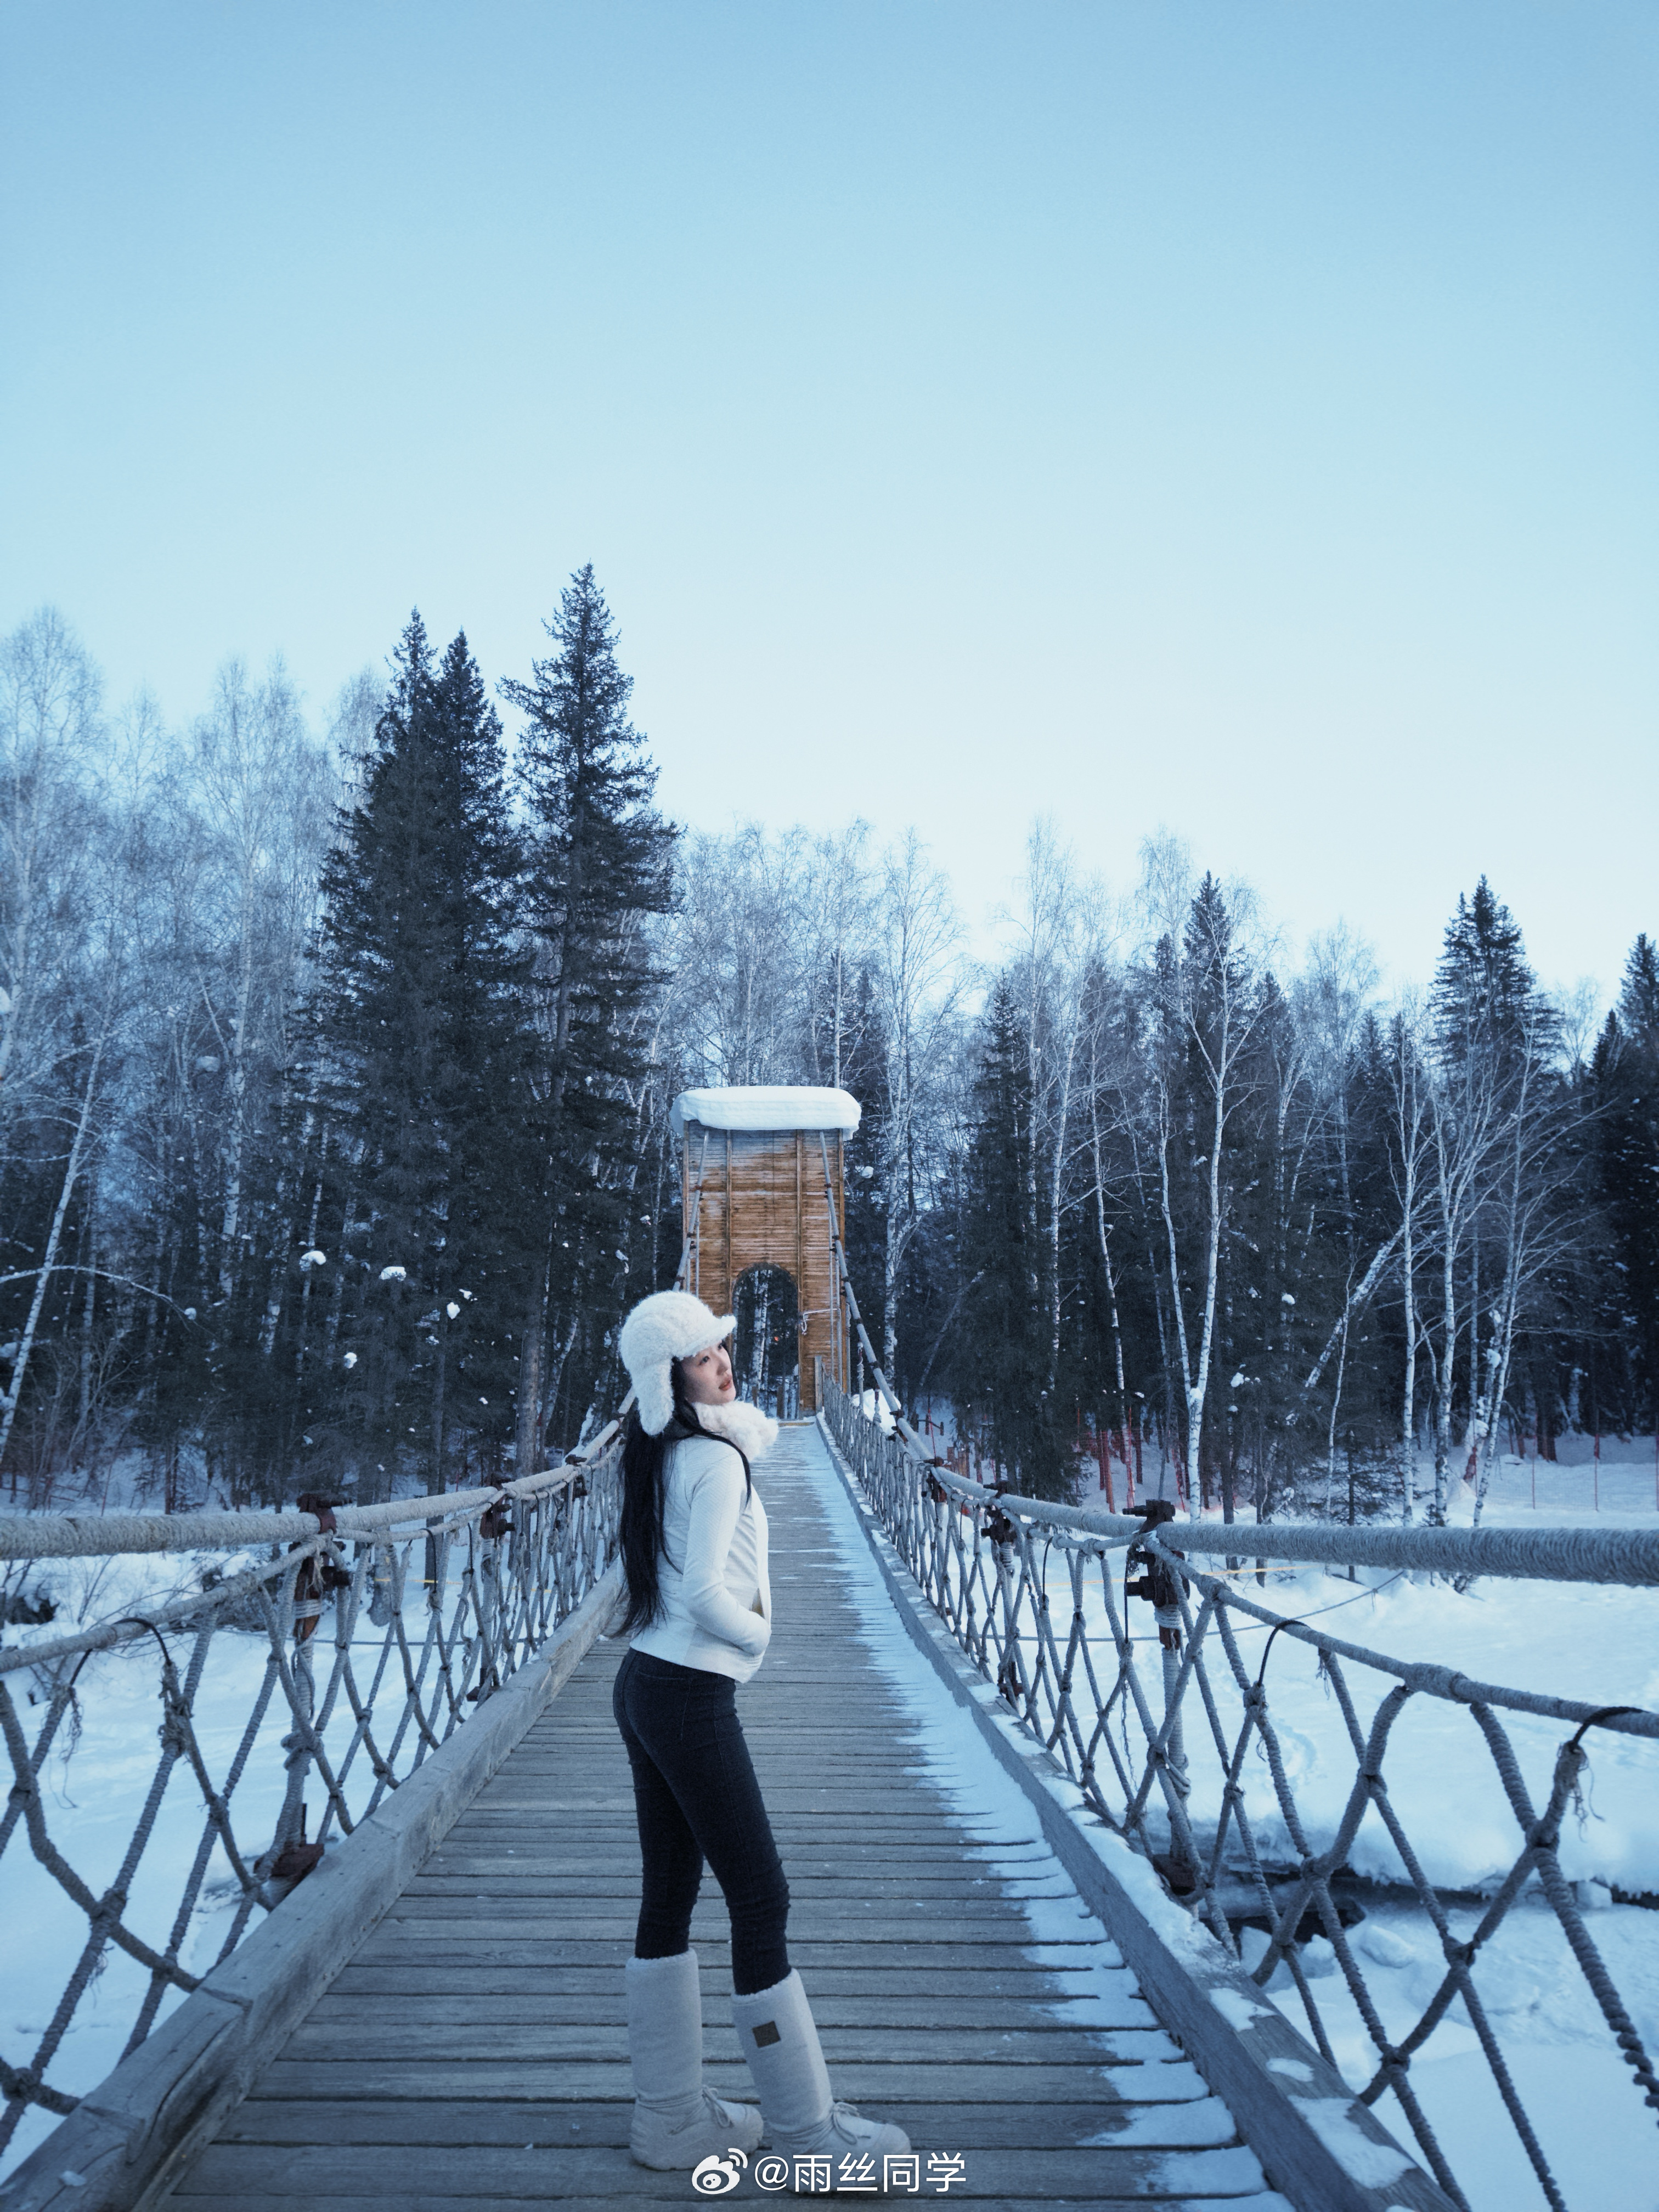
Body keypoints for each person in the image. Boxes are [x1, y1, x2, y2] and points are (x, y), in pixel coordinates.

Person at [613, 1288, 910, 2175]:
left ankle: (670, 2119)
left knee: (671, 1893)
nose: (723, 1366)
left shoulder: (661, 1453)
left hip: (645, 1683)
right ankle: (809, 2136)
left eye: (721, 1351)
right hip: (689, 1694)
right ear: (670, 1380)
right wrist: (757, 1637)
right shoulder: (716, 1460)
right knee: (761, 1899)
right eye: (703, 1359)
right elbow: (707, 1592)